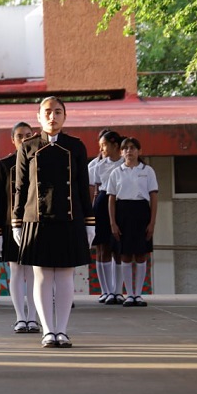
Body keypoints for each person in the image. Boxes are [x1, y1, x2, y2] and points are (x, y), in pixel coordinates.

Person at [12, 96, 93, 349]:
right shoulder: (28, 147)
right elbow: (20, 187)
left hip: (69, 217)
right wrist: (16, 221)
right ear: (38, 116)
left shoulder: (76, 146)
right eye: (47, 112)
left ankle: (62, 330)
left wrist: (90, 221)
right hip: (37, 218)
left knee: (66, 276)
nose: (52, 116)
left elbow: (83, 186)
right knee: (42, 276)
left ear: (65, 116)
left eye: (58, 112)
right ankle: (48, 330)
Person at [0, 121, 39, 333]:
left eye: (28, 135)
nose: (24, 139)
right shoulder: (4, 164)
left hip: (36, 223)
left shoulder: (41, 160)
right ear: (13, 139)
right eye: (20, 136)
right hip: (12, 225)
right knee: (17, 270)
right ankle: (20, 317)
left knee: (35, 272)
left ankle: (33, 317)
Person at [106, 137, 158, 307]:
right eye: (126, 148)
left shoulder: (148, 171)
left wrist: (152, 222)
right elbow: (111, 199)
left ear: (139, 151)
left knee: (141, 254)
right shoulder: (116, 172)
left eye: (133, 148)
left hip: (141, 211)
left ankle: (138, 294)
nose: (129, 151)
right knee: (125, 254)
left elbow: (153, 197)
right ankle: (129, 294)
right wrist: (113, 223)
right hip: (123, 212)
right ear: (121, 152)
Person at [90, 130, 125, 304]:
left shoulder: (125, 163)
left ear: (115, 145)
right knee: (102, 247)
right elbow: (94, 188)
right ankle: (106, 291)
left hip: (121, 204)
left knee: (118, 249)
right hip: (103, 204)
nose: (101, 149)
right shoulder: (98, 165)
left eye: (104, 145)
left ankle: (118, 291)